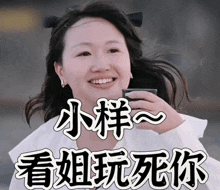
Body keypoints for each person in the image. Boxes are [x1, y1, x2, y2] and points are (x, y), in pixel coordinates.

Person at [9, 1, 220, 190]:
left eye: (113, 50)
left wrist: (177, 135)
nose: (101, 65)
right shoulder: (38, 151)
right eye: (84, 53)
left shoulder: (168, 133)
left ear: (129, 65)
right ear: (61, 71)